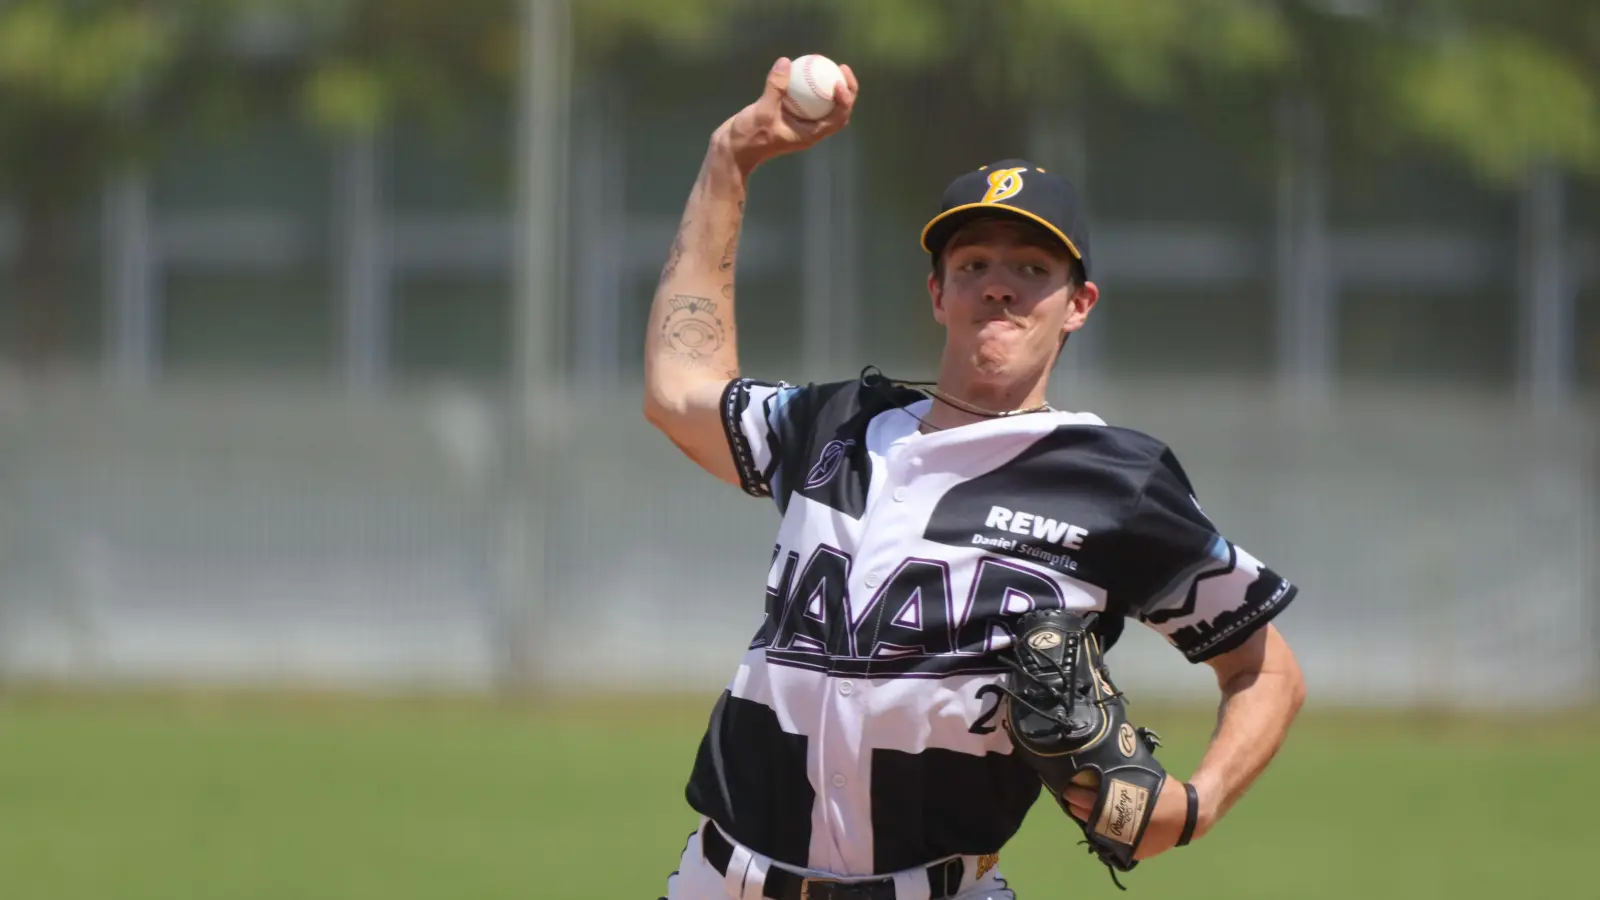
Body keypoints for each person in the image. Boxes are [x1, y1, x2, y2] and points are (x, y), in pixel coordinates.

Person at [642, 57, 1307, 900]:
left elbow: (1265, 668)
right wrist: (730, 157)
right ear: (938, 292)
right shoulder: (837, 426)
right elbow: (678, 390)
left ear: (1079, 304)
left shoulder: (1112, 482)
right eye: (974, 263)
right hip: (725, 882)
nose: (999, 284)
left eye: (1033, 268)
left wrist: (1200, 803)